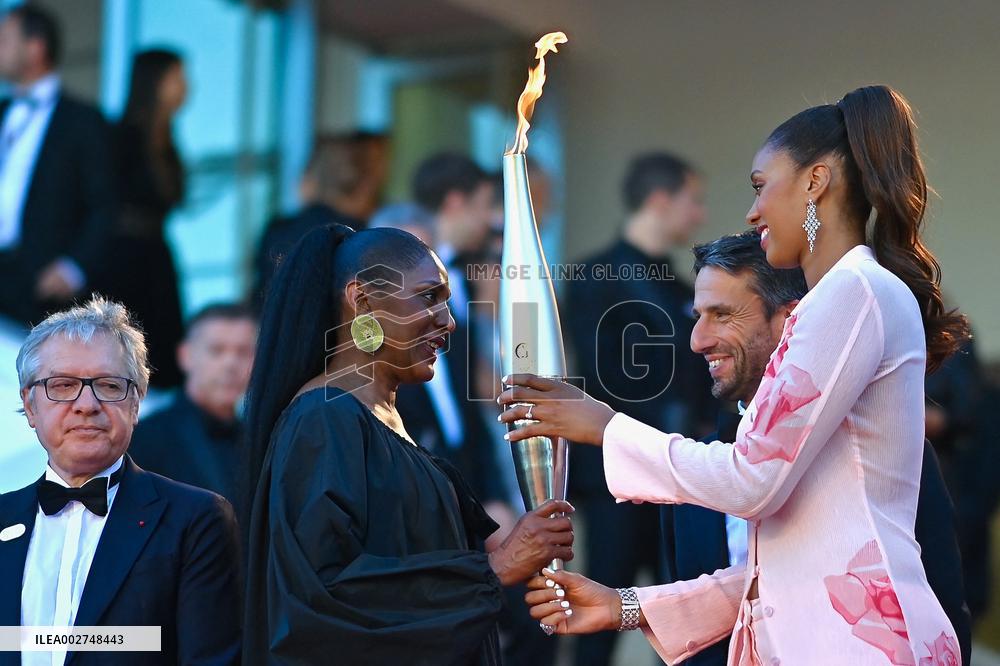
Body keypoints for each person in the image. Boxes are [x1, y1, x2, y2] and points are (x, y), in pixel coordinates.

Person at [503, 85, 970, 665]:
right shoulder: (844, 298)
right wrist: (620, 606)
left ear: (815, 182)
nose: (752, 211)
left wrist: (607, 427)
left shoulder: (851, 293)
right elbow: (781, 569)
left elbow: (751, 479)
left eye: (759, 186)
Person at [242, 223, 575, 665]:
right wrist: (493, 569)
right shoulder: (323, 421)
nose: (449, 321)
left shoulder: (373, 418)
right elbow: (323, 595)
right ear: (362, 300)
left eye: (448, 301)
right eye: (429, 297)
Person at [660, 231, 970, 665]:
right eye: (698, 316)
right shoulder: (691, 471)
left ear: (790, 320)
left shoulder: (892, 455)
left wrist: (605, 428)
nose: (698, 340)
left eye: (722, 314)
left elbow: (941, 604)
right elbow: (686, 629)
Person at [0, 296, 241, 665]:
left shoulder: (195, 520)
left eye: (109, 385)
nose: (86, 404)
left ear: (136, 402)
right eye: (63, 385)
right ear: (30, 405)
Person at [564, 151, 714, 666]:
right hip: (620, 480)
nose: (698, 215)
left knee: (681, 617)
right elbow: (603, 379)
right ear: (659, 199)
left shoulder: (681, 287)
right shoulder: (594, 278)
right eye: (691, 201)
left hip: (677, 477)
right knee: (600, 614)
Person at [0, 5, 115, 326]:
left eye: (4, 40)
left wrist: (73, 266)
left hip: (43, 281)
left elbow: (104, 204)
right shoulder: (3, 111)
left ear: (35, 48)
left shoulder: (82, 120)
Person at [93, 48, 189, 389]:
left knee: (159, 354)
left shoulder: (166, 143)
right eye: (178, 78)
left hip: (155, 259)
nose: (186, 87)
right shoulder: (119, 138)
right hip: (123, 260)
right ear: (156, 82)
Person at [128, 303, 257, 506]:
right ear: (185, 355)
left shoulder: (262, 439)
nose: (231, 364)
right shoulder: (145, 438)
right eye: (217, 350)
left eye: (243, 352)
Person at [252, 131, 389, 305]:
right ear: (362, 184)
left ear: (311, 177)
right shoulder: (364, 235)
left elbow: (260, 292)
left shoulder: (279, 229)